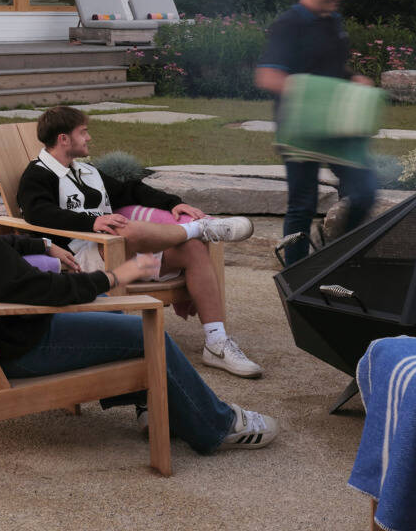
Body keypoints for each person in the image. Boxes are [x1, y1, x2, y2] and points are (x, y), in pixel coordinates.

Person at [0, 127, 278, 453]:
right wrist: (114, 278)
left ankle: (153, 403)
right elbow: (36, 289)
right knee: (147, 333)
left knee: (110, 311)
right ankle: (217, 426)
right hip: (20, 344)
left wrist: (40, 245)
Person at [16, 106, 263, 378]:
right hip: (81, 255)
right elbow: (38, 212)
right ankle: (200, 228)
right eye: (83, 132)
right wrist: (91, 223)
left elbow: (131, 190)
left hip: (123, 253)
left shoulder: (86, 171)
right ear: (64, 139)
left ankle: (216, 343)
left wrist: (174, 203)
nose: (89, 138)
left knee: (192, 249)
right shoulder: (37, 175)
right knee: (126, 231)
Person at [253, 0, 378, 263]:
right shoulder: (289, 24)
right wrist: (316, 94)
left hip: (338, 127)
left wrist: (354, 79)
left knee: (364, 191)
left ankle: (334, 255)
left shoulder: (332, 22)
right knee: (302, 204)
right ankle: (295, 272)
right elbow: (267, 75)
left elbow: (330, 69)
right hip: (299, 130)